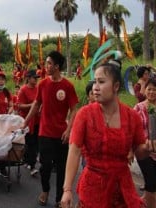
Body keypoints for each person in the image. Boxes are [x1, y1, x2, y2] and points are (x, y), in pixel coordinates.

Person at [61, 60, 151, 208]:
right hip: (93, 188)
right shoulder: (85, 114)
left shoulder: (131, 116)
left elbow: (140, 153)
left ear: (116, 86)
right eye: (95, 82)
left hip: (122, 187)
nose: (95, 88)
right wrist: (67, 189)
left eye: (101, 82)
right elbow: (75, 151)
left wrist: (146, 149)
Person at [23, 51, 78, 207]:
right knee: (45, 166)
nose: (45, 66)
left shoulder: (68, 86)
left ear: (56, 66)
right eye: (46, 63)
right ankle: (45, 190)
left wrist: (69, 130)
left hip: (61, 134)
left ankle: (59, 199)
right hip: (45, 132)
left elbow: (74, 109)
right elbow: (36, 105)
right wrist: (26, 122)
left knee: (61, 168)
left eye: (48, 63)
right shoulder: (43, 84)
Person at [134, 78, 156, 208]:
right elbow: (132, 129)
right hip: (143, 151)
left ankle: (143, 201)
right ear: (145, 90)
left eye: (155, 89)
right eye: (149, 89)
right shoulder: (138, 107)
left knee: (152, 183)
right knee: (151, 182)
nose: (152, 92)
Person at [17, 70, 40, 176]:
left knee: (35, 142)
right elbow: (19, 105)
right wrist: (31, 105)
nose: (36, 80)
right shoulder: (23, 90)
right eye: (34, 78)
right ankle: (32, 165)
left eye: (36, 78)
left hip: (37, 120)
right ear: (28, 78)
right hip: (27, 120)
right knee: (30, 143)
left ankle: (28, 160)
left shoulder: (38, 89)